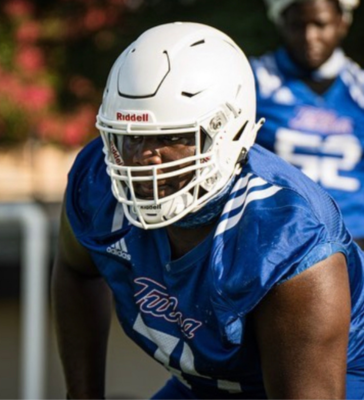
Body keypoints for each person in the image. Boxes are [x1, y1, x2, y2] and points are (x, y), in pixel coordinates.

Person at [52, 21, 364, 399]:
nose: (146, 159)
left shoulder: (289, 236)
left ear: (230, 134)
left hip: (332, 377)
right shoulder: (97, 182)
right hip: (206, 384)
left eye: (174, 137)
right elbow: (75, 269)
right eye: (131, 138)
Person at [251, 0, 364, 248]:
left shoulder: (359, 91)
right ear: (282, 24)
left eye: (320, 24)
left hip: (353, 240)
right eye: (298, 25)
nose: (309, 36)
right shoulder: (253, 82)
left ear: (342, 23)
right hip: (277, 239)